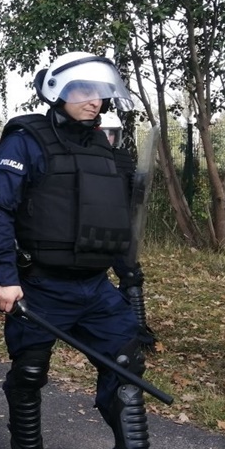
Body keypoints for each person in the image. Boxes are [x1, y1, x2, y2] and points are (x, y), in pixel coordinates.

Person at [0, 51, 189, 449]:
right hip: (40, 285)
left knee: (124, 369)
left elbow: (110, 218)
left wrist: (127, 274)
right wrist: (4, 275)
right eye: (82, 90)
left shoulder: (105, 147)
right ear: (57, 92)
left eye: (98, 92)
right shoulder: (26, 139)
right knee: (29, 374)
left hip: (96, 288)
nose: (93, 100)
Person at [101, 111, 157, 351]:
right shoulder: (83, 156)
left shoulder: (123, 157)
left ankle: (137, 328)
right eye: (105, 133)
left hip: (121, 226)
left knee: (132, 275)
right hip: (90, 229)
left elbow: (135, 192)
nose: (110, 139)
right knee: (86, 279)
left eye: (113, 134)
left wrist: (140, 183)